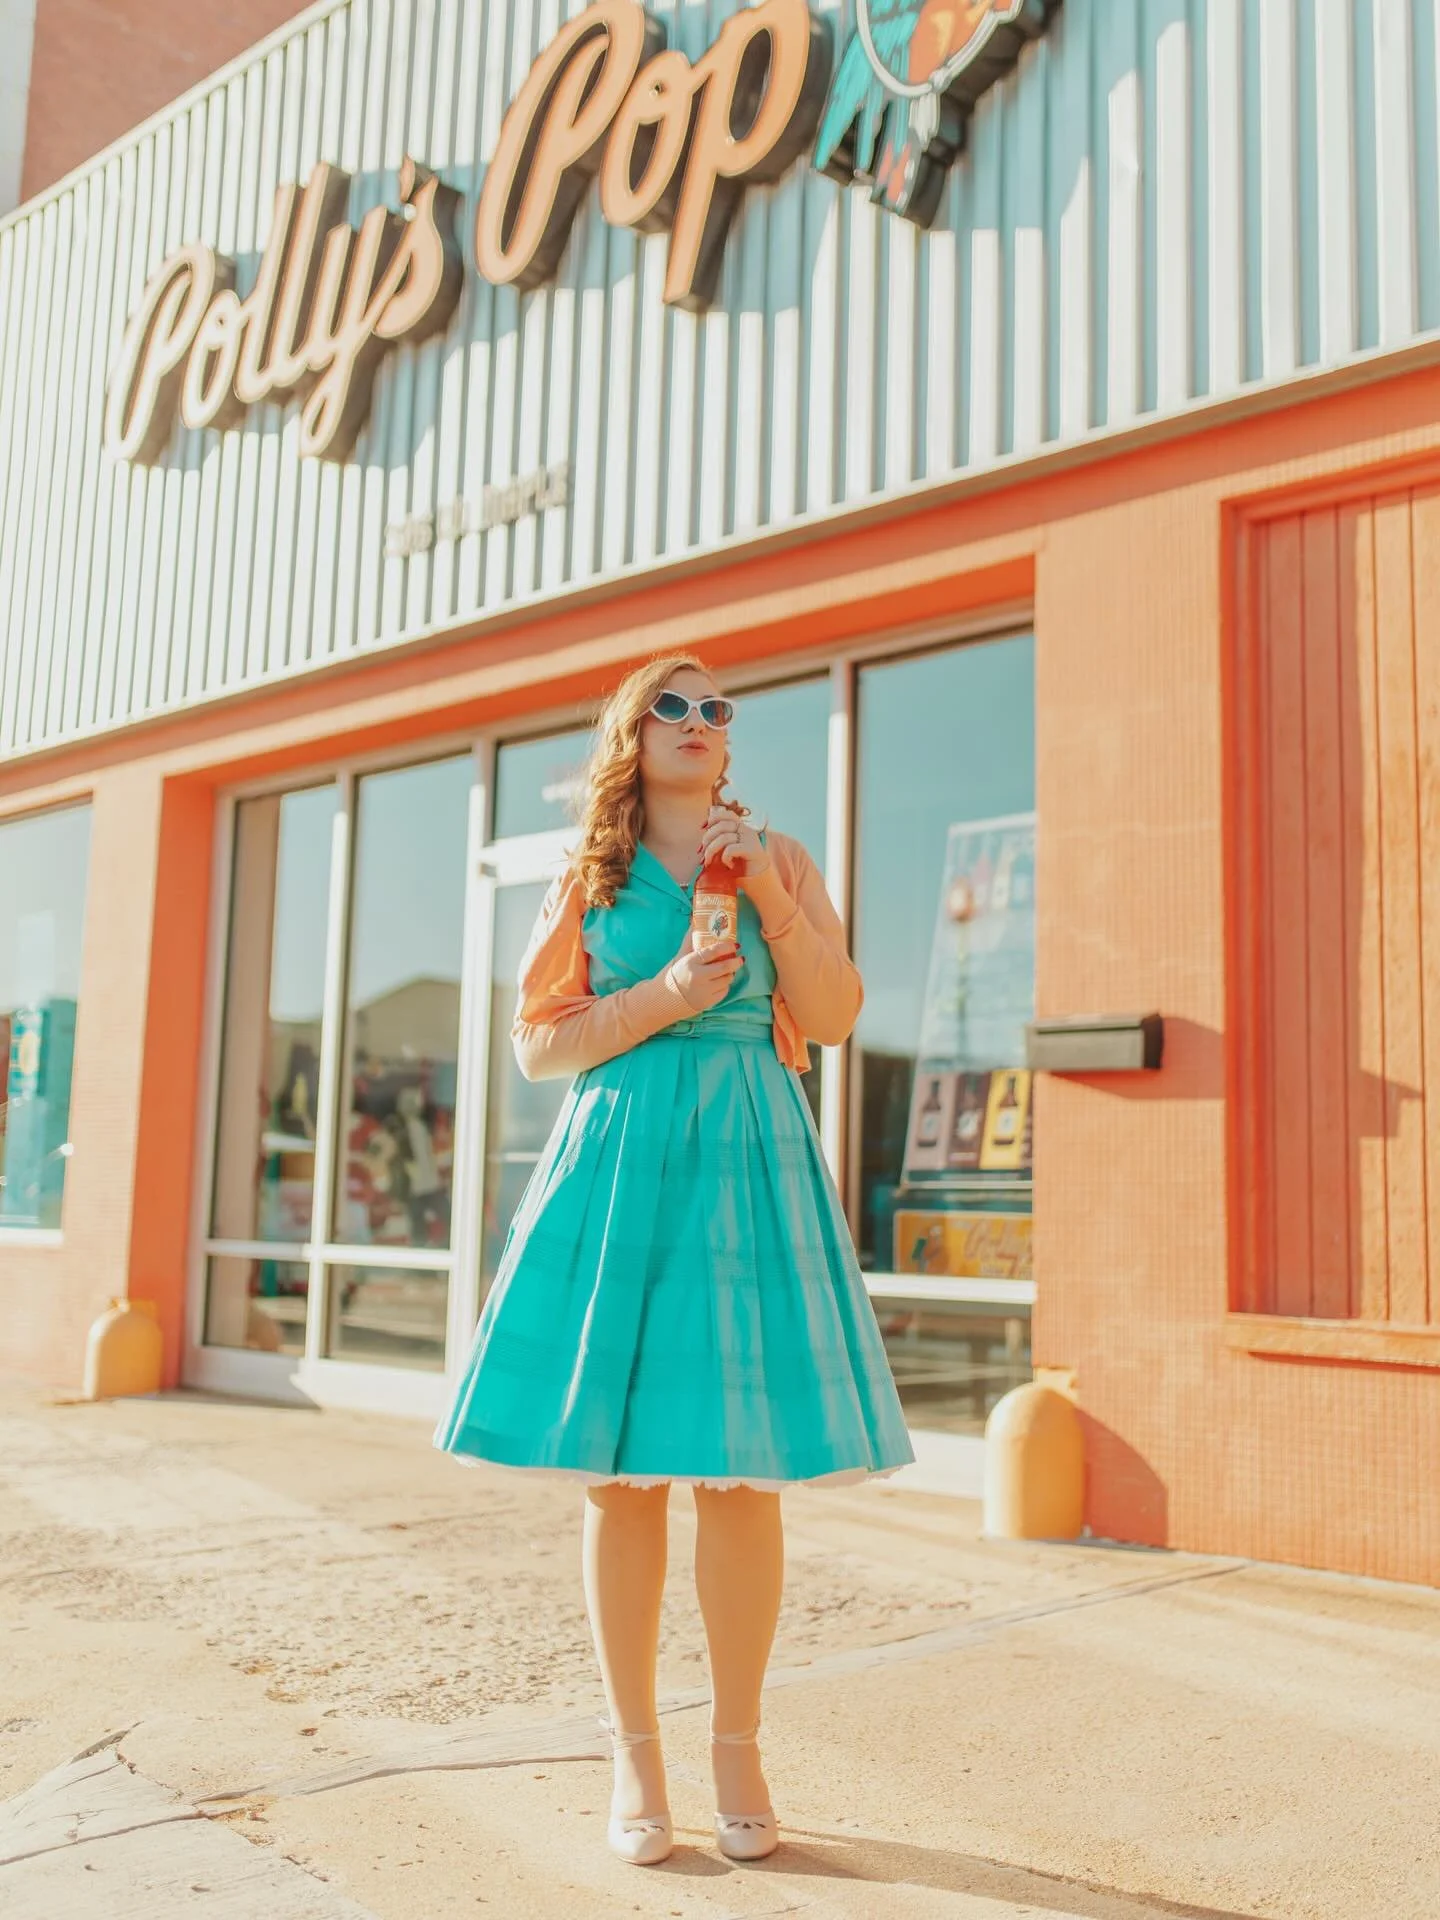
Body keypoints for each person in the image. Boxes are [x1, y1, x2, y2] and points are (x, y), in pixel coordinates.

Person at [433, 652, 915, 1866]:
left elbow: (841, 1010)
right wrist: (662, 993)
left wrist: (770, 902)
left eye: (718, 709)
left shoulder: (776, 857)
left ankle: (738, 1750)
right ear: (630, 732)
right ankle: (633, 1756)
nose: (700, 722)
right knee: (623, 1475)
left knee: (743, 1476)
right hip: (625, 1155)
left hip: (749, 1150)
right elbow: (540, 1047)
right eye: (673, 705)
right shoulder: (588, 872)